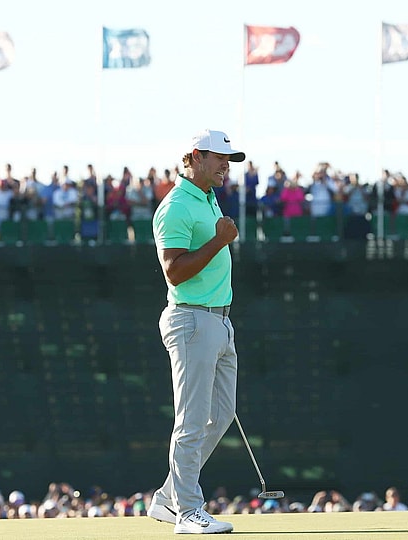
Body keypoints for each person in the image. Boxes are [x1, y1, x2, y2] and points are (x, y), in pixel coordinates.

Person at [147, 129, 244, 535]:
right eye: (219, 158)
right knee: (191, 420)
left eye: (228, 160)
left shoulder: (207, 197)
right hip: (191, 319)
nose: (225, 166)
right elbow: (174, 271)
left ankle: (169, 497)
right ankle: (187, 511)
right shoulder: (175, 206)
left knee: (220, 415)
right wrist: (220, 241)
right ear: (195, 157)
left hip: (219, 320)